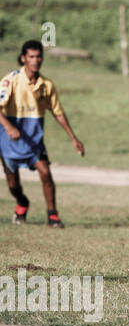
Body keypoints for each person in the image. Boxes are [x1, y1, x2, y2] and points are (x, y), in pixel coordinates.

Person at [1, 40, 85, 227]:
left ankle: (52, 215)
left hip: (34, 141)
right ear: (23, 58)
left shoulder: (46, 85)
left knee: (46, 173)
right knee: (13, 185)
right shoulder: (11, 80)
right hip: (9, 140)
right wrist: (8, 126)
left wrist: (73, 138)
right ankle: (22, 202)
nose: (36, 60)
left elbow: (58, 112)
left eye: (39, 56)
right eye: (31, 56)